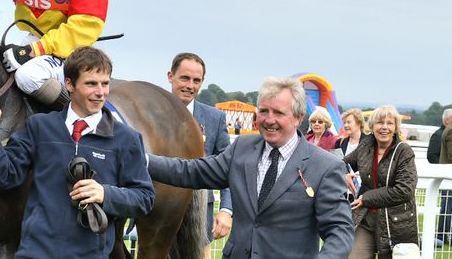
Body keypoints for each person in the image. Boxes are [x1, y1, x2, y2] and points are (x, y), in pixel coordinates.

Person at [0, 46, 154, 258]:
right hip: (35, 253)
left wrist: (106, 194)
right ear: (69, 84)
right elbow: (4, 177)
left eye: (105, 84)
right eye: (91, 84)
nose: (100, 92)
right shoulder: (39, 127)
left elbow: (144, 198)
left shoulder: (127, 139)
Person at [147, 76, 354, 258]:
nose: (269, 120)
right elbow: (194, 172)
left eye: (279, 113)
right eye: (263, 111)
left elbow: (339, 231)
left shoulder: (325, 166)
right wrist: (144, 161)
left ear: (299, 117)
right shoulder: (242, 148)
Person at [167, 53, 232, 256]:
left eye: (197, 80)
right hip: (157, 214)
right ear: (171, 76)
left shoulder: (215, 118)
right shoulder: (150, 112)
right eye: (184, 78)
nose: (190, 86)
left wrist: (226, 210)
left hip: (200, 220)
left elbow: (229, 167)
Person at [344, 105, 418, 259]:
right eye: (379, 123)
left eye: (389, 123)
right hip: (366, 219)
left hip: (396, 223)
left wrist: (366, 198)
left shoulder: (403, 151)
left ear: (396, 127)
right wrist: (344, 172)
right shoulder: (365, 146)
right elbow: (343, 163)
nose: (384, 127)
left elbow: (404, 190)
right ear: (371, 126)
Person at [434, 108, 452, 245]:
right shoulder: (450, 131)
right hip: (448, 176)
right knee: (446, 209)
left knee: (446, 208)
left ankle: (442, 236)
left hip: (447, 176)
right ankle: (442, 236)